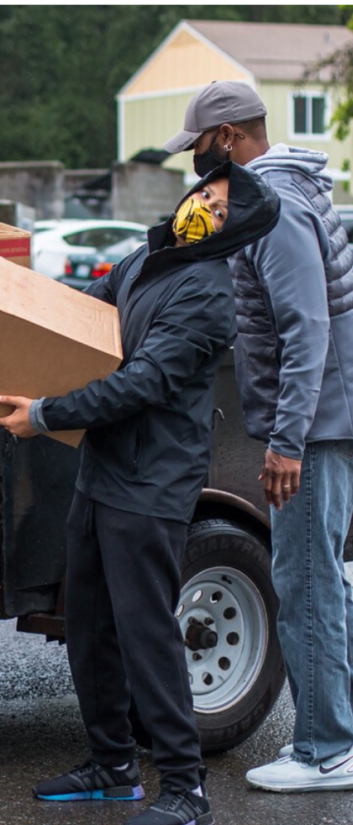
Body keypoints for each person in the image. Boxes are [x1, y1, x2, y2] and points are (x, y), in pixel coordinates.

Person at [0, 162, 277, 825]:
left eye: (221, 205)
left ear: (238, 231)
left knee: (148, 633)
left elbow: (142, 383)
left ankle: (185, 790)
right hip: (103, 472)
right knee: (90, 626)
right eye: (205, 191)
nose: (203, 203)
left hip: (152, 485)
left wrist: (43, 414)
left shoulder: (210, 293)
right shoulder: (150, 259)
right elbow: (79, 305)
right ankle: (112, 764)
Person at [166, 80, 353, 792]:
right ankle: (337, 733)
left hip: (316, 425)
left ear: (232, 138)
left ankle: (324, 750)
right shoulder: (283, 195)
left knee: (304, 584)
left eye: (202, 149)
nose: (198, 166)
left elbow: (309, 329)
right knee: (320, 580)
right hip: (327, 419)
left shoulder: (272, 213)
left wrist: (287, 441)